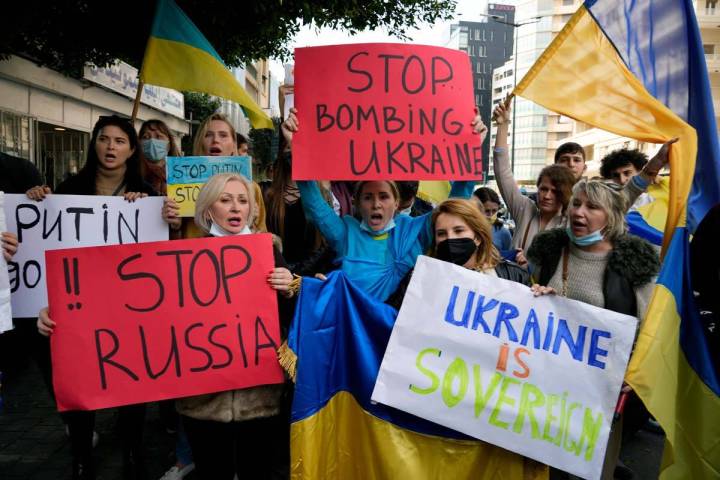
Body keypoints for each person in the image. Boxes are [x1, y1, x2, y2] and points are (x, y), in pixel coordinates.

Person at [31, 115, 155, 480]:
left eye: (120, 141)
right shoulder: (69, 188)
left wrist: (152, 210)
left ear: (132, 149)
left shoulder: (143, 193)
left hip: (128, 307)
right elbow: (45, 237)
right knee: (80, 382)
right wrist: (39, 200)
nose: (111, 147)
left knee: (132, 383)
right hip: (79, 304)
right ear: (94, 145)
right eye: (104, 139)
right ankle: (82, 458)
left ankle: (133, 455)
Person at [527, 179, 660, 480]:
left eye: (592, 206)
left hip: (601, 393)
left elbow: (652, 329)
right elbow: (527, 301)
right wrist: (535, 295)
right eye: (576, 203)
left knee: (594, 468)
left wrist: (637, 371)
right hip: (546, 386)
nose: (579, 212)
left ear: (611, 217)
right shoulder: (550, 251)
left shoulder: (633, 263)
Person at [282, 107, 488, 302]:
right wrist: (296, 148)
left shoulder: (414, 231)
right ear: (357, 203)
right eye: (368, 197)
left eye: (384, 196)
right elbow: (316, 206)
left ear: (397, 202)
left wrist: (472, 148)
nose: (376, 204)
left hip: (400, 331)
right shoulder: (345, 234)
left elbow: (454, 205)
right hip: (357, 332)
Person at [167, 173, 296, 479]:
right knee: (213, 472)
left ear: (252, 209)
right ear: (209, 210)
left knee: (259, 471)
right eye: (225, 200)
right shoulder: (185, 258)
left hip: (260, 397)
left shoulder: (269, 252)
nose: (236, 207)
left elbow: (289, 320)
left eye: (242, 200)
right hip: (204, 400)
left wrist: (290, 287)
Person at [386, 198, 530, 310]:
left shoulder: (514, 277)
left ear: (478, 237)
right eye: (441, 233)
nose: (450, 238)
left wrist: (543, 297)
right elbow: (391, 318)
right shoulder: (419, 276)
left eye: (459, 231)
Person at [165, 113, 268, 235]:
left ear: (233, 145)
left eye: (223, 135)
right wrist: (175, 226)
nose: (215, 140)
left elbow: (263, 237)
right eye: (208, 135)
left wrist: (251, 222)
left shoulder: (251, 188)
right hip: (195, 252)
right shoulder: (179, 187)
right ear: (200, 142)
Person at [264, 138, 337, 276]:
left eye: (298, 146)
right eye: (288, 146)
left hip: (311, 278)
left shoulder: (321, 195)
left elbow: (325, 243)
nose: (293, 151)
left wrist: (296, 276)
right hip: (276, 276)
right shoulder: (268, 195)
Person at [138, 119, 181, 196]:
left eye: (158, 136)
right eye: (146, 137)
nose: (152, 141)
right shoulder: (132, 174)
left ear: (169, 144)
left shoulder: (182, 173)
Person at [472, 187, 512, 252]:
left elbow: (507, 257)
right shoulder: (467, 230)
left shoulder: (503, 232)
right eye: (486, 211)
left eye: (494, 211)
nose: (491, 215)